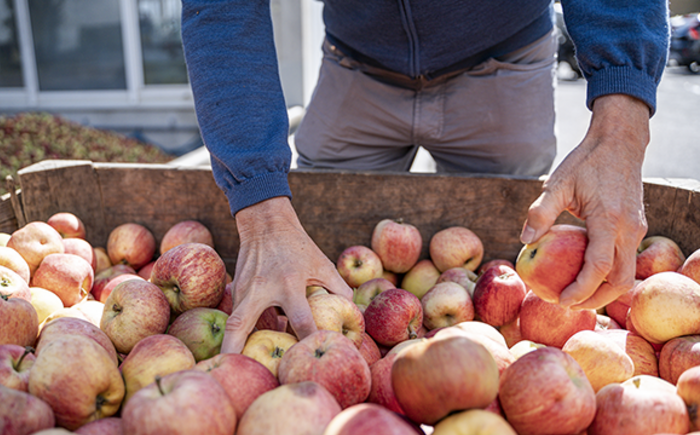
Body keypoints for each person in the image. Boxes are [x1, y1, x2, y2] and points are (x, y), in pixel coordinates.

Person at [180, 1, 670, 354]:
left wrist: (622, 115)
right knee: (311, 255)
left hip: (504, 59)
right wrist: (260, 207)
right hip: (356, 63)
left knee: (510, 244)